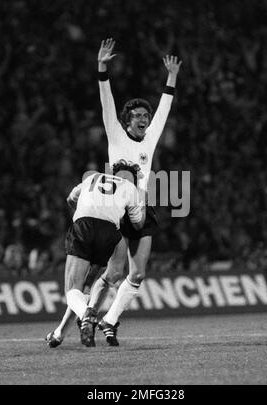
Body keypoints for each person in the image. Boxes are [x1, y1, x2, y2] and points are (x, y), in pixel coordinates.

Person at [46, 38, 181, 347]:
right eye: (138, 115)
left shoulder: (150, 138)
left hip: (141, 209)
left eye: (146, 116)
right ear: (126, 120)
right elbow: (106, 102)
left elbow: (165, 108)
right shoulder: (116, 135)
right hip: (113, 210)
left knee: (137, 274)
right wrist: (102, 69)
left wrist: (171, 78)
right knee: (103, 278)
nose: (145, 119)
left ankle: (108, 321)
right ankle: (64, 329)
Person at [46, 160, 145, 347]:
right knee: (92, 283)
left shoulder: (92, 177)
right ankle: (60, 332)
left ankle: (87, 315)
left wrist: (85, 210)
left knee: (73, 288)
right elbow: (138, 224)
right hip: (110, 233)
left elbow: (70, 199)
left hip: (84, 227)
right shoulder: (131, 189)